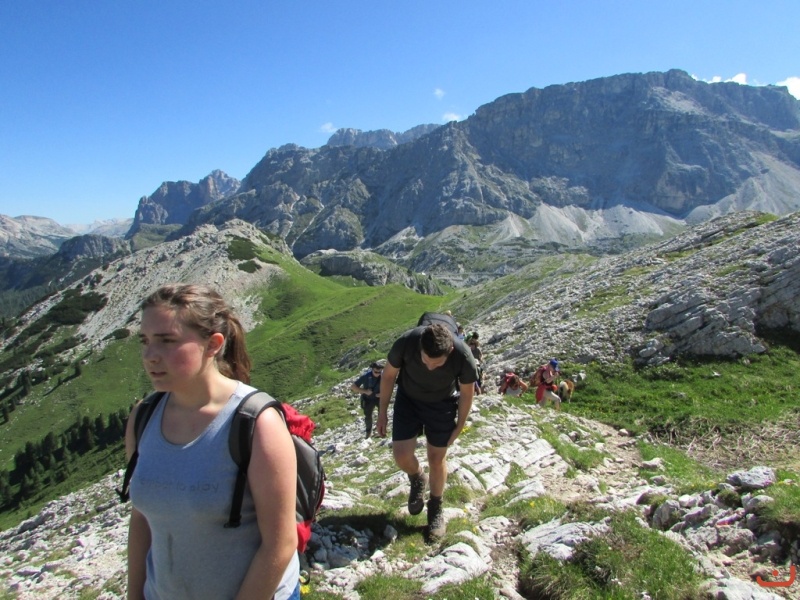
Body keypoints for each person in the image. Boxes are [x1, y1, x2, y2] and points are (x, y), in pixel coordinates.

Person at [126, 284, 300, 600]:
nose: (150, 356)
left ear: (213, 344)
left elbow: (280, 544)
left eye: (167, 341)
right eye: (145, 341)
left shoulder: (256, 423)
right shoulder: (143, 417)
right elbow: (141, 518)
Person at [377, 323, 479, 538]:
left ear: (450, 351)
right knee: (402, 456)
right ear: (420, 348)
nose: (430, 367)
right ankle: (417, 477)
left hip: (442, 403)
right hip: (408, 399)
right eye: (425, 360)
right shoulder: (407, 342)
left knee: (436, 457)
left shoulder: (463, 355)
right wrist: (382, 412)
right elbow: (388, 376)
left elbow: (467, 392)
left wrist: (460, 425)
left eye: (438, 363)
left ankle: (436, 508)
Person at [350, 360, 385, 438]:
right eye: (376, 372)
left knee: (382, 414)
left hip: (379, 398)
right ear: (372, 369)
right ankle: (368, 432)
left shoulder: (383, 376)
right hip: (368, 399)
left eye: (379, 372)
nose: (377, 374)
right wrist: (365, 391)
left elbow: (389, 387)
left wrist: (383, 394)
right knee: (368, 416)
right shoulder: (366, 376)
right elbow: (353, 387)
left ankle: (381, 430)